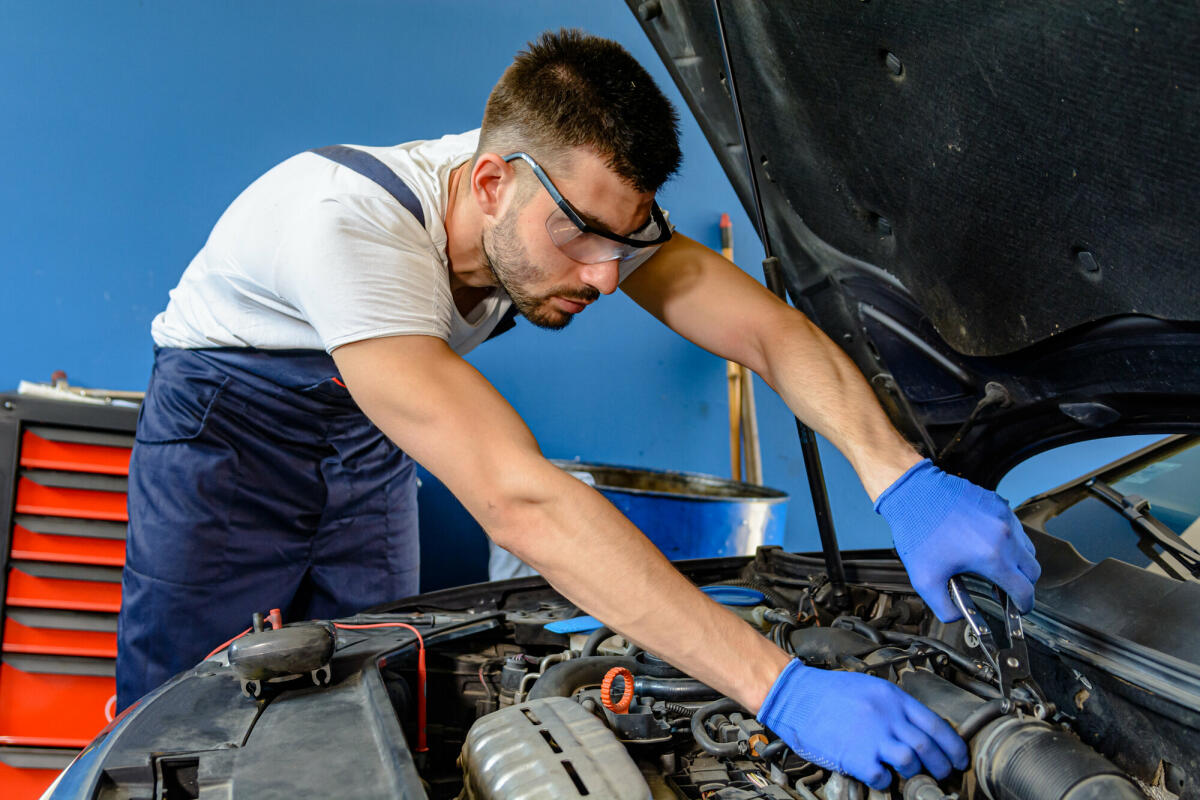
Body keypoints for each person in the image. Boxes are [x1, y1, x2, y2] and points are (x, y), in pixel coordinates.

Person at [117, 29, 1041, 790]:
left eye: (624, 238)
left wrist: (904, 479)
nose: (606, 275)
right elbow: (520, 497)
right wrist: (780, 689)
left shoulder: (576, 201)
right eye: (581, 238)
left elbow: (769, 334)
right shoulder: (347, 228)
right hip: (227, 436)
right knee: (184, 727)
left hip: (365, 442)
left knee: (381, 690)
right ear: (490, 186)